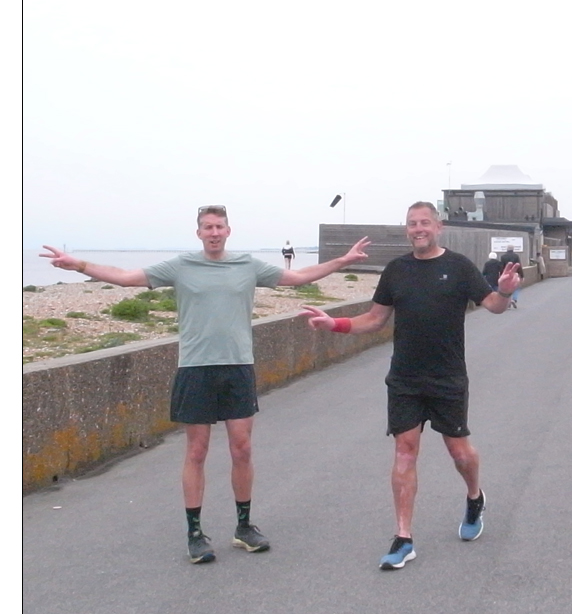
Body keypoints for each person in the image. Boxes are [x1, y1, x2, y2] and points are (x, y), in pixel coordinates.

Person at [40, 207, 370, 564]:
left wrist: (343, 260)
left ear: (229, 230)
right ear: (198, 233)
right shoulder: (180, 266)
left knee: (241, 448)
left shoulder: (248, 266)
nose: (213, 232)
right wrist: (79, 265)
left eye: (219, 227)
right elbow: (125, 276)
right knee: (196, 452)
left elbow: (301, 276)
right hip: (195, 369)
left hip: (238, 367)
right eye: (207, 227)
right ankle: (195, 533)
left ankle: (244, 527)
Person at [299, 201, 520, 571]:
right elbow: (374, 319)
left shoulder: (459, 266)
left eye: (424, 223)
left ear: (438, 227)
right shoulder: (396, 270)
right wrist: (333, 324)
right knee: (405, 451)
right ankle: (403, 538)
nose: (418, 229)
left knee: (460, 453)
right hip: (404, 378)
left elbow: (493, 306)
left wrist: (506, 291)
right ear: (407, 230)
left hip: (447, 376)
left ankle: (474, 496)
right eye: (412, 224)